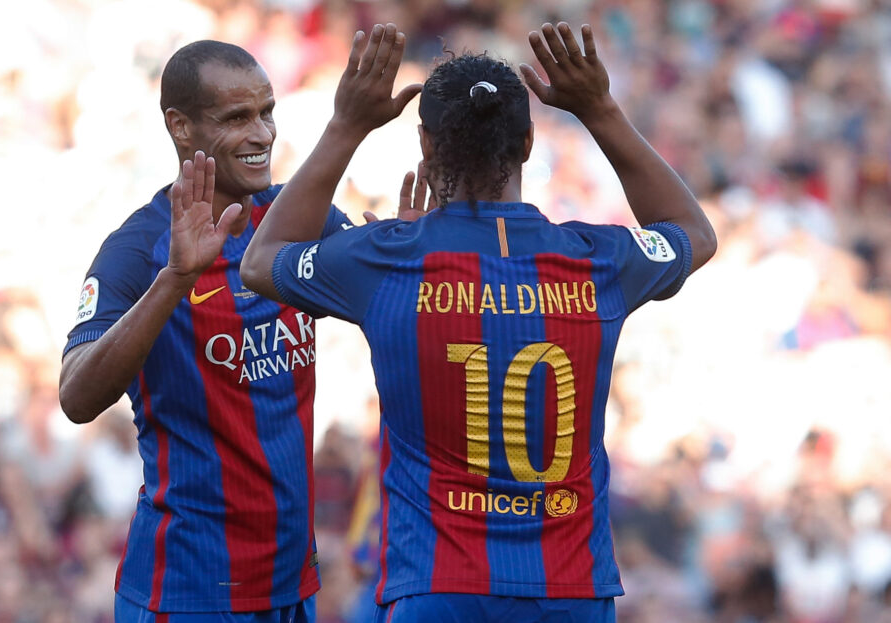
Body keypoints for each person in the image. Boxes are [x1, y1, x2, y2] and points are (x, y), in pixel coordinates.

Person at [240, 21, 717, 623]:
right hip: (569, 591)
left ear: (427, 146)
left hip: (436, 588)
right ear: (525, 145)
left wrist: (347, 125)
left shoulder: (385, 259)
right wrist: (600, 110)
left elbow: (259, 262)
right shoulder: (597, 259)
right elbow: (695, 235)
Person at [58, 40, 353, 622]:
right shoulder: (137, 249)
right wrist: (174, 280)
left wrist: (416, 255)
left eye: (267, 112)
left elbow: (389, 304)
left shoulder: (299, 218)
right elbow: (75, 397)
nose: (263, 133)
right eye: (237, 117)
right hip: (186, 590)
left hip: (291, 585)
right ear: (180, 126)